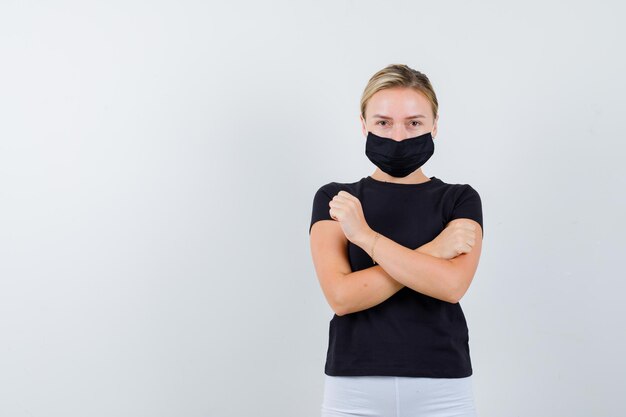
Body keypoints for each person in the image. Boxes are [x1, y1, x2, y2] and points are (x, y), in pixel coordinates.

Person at [308, 64, 484, 417]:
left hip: (443, 385)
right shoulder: (336, 198)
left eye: (414, 123)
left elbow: (451, 286)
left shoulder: (460, 199)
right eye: (383, 122)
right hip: (354, 386)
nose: (399, 137)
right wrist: (434, 251)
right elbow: (341, 297)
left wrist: (365, 238)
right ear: (363, 125)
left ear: (435, 125)